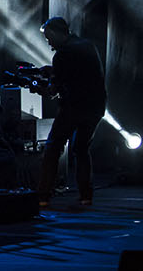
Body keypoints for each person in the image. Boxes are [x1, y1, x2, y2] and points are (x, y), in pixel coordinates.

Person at [37, 16, 106, 208]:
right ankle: (86, 196)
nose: (48, 42)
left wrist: (47, 83)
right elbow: (81, 73)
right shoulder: (87, 45)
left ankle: (43, 196)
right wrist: (53, 72)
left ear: (55, 33)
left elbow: (55, 88)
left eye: (48, 37)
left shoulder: (62, 55)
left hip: (74, 107)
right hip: (95, 107)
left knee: (53, 147)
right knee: (81, 149)